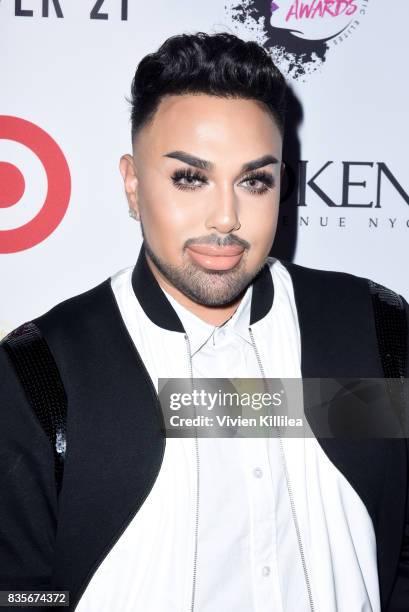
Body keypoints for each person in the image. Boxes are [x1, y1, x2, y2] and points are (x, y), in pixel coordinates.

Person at [0, 31, 408, 612]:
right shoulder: (39, 373)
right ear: (133, 185)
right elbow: (20, 594)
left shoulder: (375, 328)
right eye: (190, 178)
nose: (226, 217)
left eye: (254, 180)